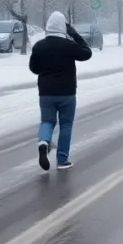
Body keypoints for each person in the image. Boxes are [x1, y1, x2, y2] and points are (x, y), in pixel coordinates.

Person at [28, 11, 92, 171]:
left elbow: (33, 68)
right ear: (63, 28)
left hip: (46, 92)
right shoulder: (69, 46)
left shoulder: (39, 46)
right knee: (66, 125)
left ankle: (43, 141)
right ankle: (62, 160)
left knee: (47, 121)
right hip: (67, 92)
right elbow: (87, 53)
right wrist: (74, 34)